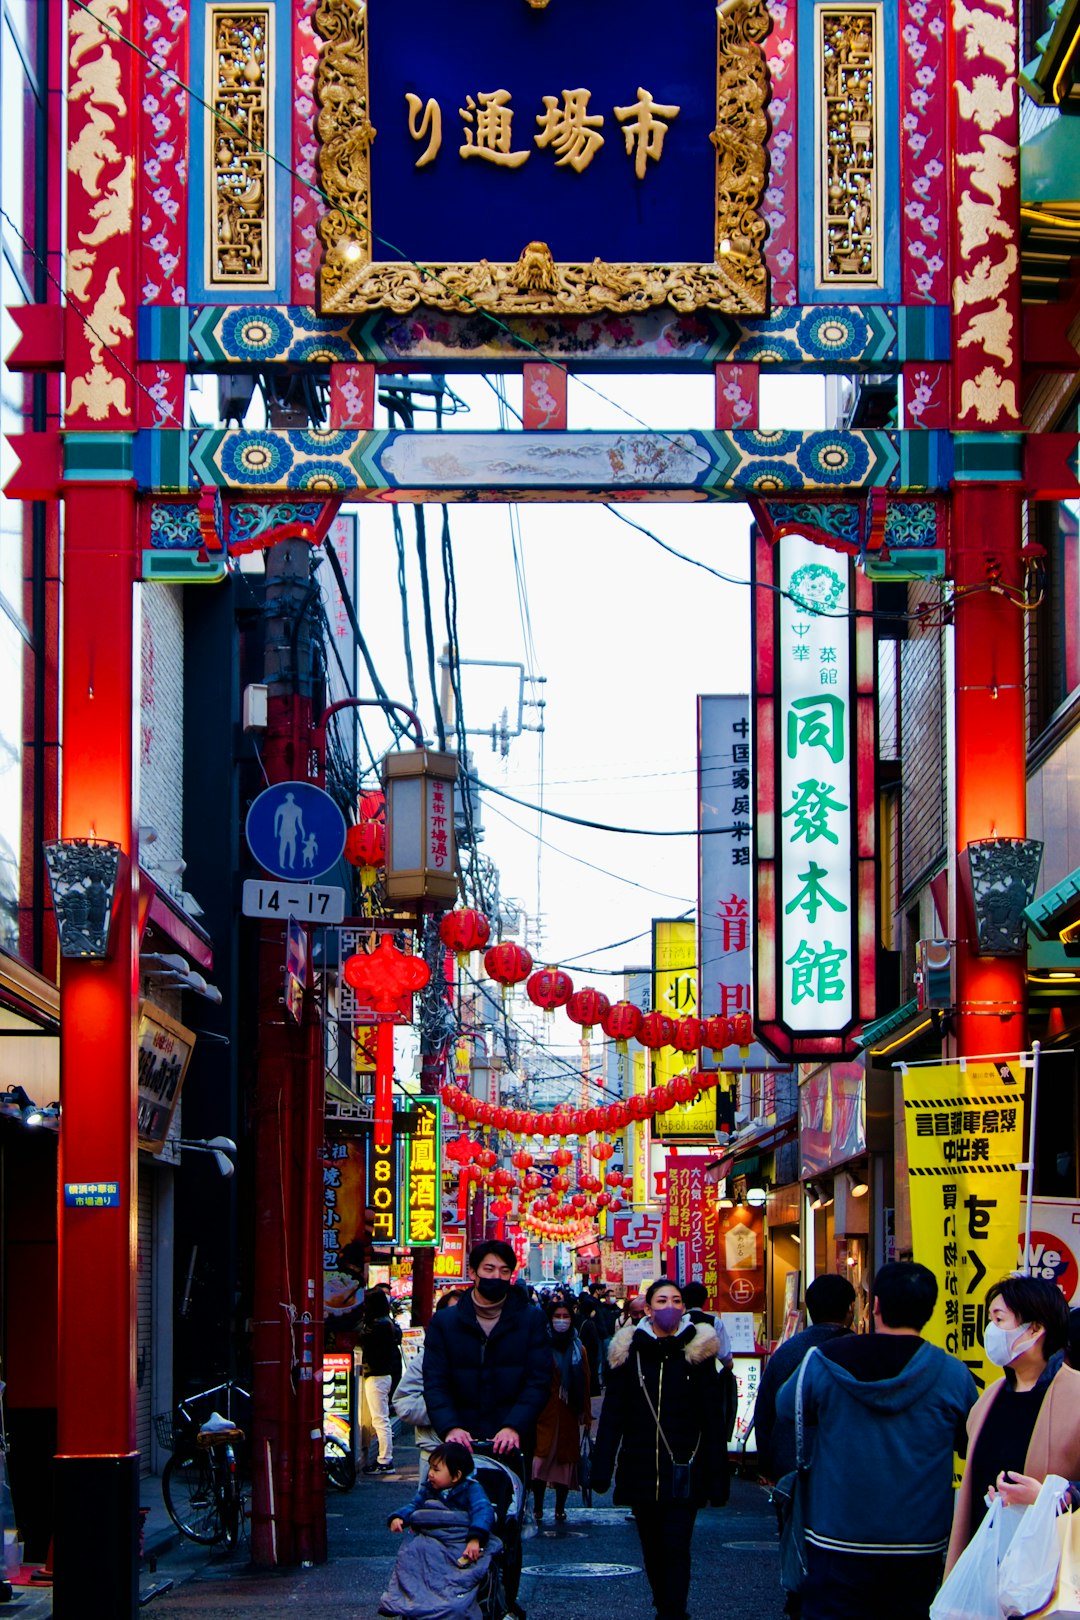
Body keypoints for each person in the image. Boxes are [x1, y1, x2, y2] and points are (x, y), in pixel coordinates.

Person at [776, 1261, 977, 1620]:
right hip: (920, 1541)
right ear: (930, 1310)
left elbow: (786, 1409)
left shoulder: (821, 1361)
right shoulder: (952, 1373)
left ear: (875, 1305)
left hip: (834, 1534)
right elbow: (971, 1441)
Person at [592, 1278, 728, 1620]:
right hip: (641, 1467)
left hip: (685, 1466)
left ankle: (673, 1611)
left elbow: (712, 1417)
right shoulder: (629, 1353)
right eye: (662, 1300)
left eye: (677, 1301)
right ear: (648, 1309)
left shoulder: (698, 1352)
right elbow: (613, 1415)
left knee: (677, 1545)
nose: (671, 1307)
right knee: (653, 1547)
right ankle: (663, 1603)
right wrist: (601, 1466)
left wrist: (717, 1472)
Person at [945, 1275, 1080, 1573]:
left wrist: (1054, 1498)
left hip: (1051, 1579)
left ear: (1035, 1328)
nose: (991, 1330)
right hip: (985, 1570)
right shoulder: (987, 1400)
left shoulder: (1076, 1395)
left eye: (999, 1319)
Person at [422, 1239, 551, 1459]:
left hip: (511, 1441)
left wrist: (514, 1426)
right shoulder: (444, 1322)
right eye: (488, 1269)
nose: (496, 1277)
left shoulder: (531, 1319)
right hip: (459, 1442)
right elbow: (435, 1381)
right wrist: (450, 1427)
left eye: (504, 1271)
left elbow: (538, 1380)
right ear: (473, 1273)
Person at [753, 1274, 856, 1481]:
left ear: (809, 1309)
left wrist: (768, 1465)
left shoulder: (785, 1352)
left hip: (790, 1464)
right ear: (850, 1309)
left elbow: (764, 1414)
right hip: (846, 1465)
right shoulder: (860, 1352)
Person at [380, 1441, 497, 1620]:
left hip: (458, 1539)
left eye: (436, 1470)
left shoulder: (471, 1489)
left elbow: (483, 1511)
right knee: (413, 1553)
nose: (430, 1474)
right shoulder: (428, 1490)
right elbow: (414, 1506)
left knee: (455, 1571)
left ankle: (444, 1601)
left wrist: (475, 1539)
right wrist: (400, 1518)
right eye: (431, 1469)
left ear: (456, 1476)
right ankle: (408, 1600)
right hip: (430, 1537)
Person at [532, 1298, 592, 1524]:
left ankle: (560, 1508)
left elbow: (585, 1383)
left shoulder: (579, 1349)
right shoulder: (539, 1347)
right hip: (544, 1413)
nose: (561, 1321)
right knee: (540, 1461)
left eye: (566, 1317)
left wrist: (586, 1416)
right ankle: (537, 1506)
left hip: (569, 1413)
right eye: (557, 1317)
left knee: (565, 1463)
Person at [393, 1290, 462, 1480]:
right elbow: (403, 1403)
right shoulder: (428, 1358)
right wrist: (442, 1409)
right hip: (436, 1455)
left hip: (476, 1454)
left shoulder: (487, 1354)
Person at [358, 1289, 403, 1474]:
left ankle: (385, 1460)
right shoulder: (387, 1322)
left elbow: (363, 1341)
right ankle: (384, 1459)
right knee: (380, 1418)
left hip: (377, 1375)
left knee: (380, 1419)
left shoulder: (377, 1325)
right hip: (383, 1375)